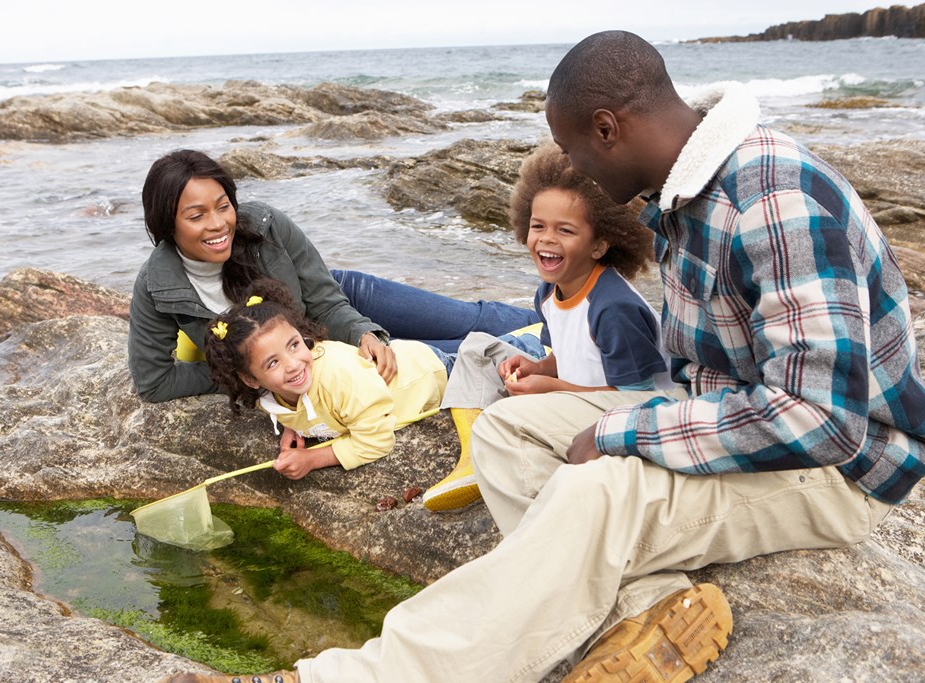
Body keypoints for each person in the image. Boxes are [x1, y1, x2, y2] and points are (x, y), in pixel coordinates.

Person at [160, 30, 925, 683]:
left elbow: (820, 420)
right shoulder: (687, 196)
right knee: (504, 429)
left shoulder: (772, 201)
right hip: (735, 420)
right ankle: (645, 606)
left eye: (569, 148)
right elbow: (702, 376)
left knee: (598, 487)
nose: (574, 171)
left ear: (606, 128)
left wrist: (629, 436)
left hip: (834, 471)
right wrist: (594, 405)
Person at [128, 149, 538, 403]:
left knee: (470, 319)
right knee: (448, 353)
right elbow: (155, 382)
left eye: (223, 206)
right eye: (196, 215)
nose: (218, 224)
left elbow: (324, 298)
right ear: (168, 224)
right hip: (312, 348)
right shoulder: (157, 286)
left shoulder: (266, 224)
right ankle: (546, 351)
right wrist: (245, 372)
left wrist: (363, 333)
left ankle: (568, 314)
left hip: (339, 299)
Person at [422, 141, 676, 512]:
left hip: (625, 415)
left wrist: (552, 389)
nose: (546, 239)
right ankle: (470, 460)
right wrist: (539, 368)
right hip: (580, 397)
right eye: (538, 226)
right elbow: (568, 356)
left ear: (600, 244)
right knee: (477, 348)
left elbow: (634, 399)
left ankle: (503, 454)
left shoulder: (614, 308)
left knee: (508, 417)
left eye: (566, 231)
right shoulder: (548, 292)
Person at [203, 277, 448, 478]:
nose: (293, 364)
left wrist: (312, 459)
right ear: (251, 379)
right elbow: (301, 407)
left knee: (481, 357)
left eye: (294, 345)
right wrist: (294, 424)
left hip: (432, 373)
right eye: (273, 362)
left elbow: (378, 441)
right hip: (408, 362)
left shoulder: (339, 377)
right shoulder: (268, 394)